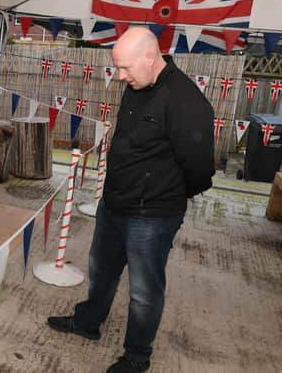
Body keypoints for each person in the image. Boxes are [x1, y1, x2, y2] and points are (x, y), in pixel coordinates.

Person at [47, 26, 215, 373]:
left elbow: (199, 169)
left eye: (125, 68)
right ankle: (88, 322)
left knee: (143, 290)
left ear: (150, 58)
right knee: (102, 270)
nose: (120, 76)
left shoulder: (186, 101)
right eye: (118, 68)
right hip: (115, 203)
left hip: (152, 215)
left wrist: (165, 194)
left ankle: (137, 356)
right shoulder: (137, 85)